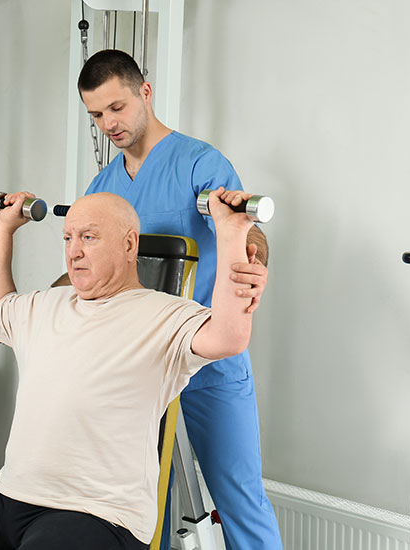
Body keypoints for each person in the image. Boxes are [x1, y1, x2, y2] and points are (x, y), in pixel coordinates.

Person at [0, 190, 267, 550]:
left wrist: (231, 232)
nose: (73, 251)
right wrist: (3, 226)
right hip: (9, 493)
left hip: (100, 512)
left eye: (89, 237)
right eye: (67, 238)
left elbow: (228, 337)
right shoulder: (48, 304)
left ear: (129, 243)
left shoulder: (165, 315)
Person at [75, 50, 281, 549]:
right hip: (138, 361)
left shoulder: (200, 164)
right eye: (97, 115)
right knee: (146, 499)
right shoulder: (103, 186)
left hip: (206, 352)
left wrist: (254, 261)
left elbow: (244, 231)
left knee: (239, 493)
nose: (109, 124)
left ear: (145, 92)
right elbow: (91, 270)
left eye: (117, 108)